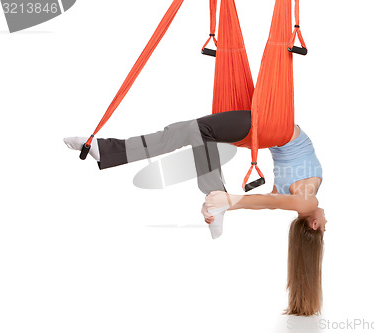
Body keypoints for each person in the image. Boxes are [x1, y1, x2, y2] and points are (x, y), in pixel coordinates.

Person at [64, 109, 327, 316]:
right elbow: (268, 202)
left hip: (270, 126)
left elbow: (269, 202)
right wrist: (228, 202)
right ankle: (109, 151)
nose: (328, 221)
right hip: (270, 128)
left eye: (326, 227)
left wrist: (230, 201)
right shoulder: (299, 199)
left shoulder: (306, 202)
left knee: (195, 130)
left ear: (314, 225)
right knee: (189, 131)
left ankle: (109, 151)